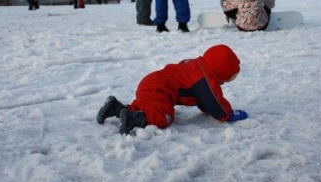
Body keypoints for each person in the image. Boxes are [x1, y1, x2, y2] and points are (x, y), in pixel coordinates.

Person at [97, 44, 248, 134]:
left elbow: (203, 97)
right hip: (158, 89)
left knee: (146, 106)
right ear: (220, 72)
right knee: (164, 117)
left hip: (151, 83)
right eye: (226, 79)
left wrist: (206, 108)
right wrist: (227, 115)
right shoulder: (205, 78)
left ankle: (116, 108)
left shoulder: (198, 66)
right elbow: (213, 99)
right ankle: (131, 118)